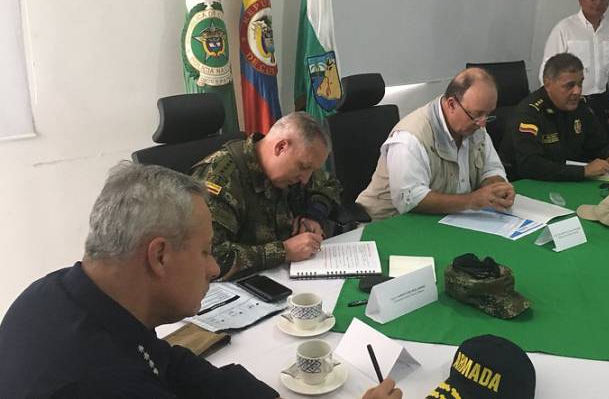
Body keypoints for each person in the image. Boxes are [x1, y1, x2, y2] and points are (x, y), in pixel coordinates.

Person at [0, 163, 401, 399]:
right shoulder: (101, 383)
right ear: (159, 255)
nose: (213, 269)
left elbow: (168, 362)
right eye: (206, 251)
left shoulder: (59, 291)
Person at [191, 112, 341, 280]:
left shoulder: (298, 163)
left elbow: (329, 184)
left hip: (288, 273)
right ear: (281, 147)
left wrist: (314, 215)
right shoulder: (220, 178)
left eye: (311, 170)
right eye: (304, 167)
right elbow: (212, 257)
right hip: (241, 285)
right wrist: (284, 251)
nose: (305, 179)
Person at [356, 67, 515, 221]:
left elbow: (491, 168)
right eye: (477, 114)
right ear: (452, 104)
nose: (482, 123)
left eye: (488, 114)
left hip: (445, 220)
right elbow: (410, 199)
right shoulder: (411, 138)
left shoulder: (474, 126)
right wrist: (471, 200)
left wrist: (496, 188)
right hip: (388, 224)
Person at [500, 53, 609, 181]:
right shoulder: (529, 114)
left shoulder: (579, 107)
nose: (577, 91)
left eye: (580, 84)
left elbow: (599, 142)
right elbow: (530, 165)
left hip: (565, 180)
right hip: (527, 184)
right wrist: (583, 171)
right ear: (547, 83)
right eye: (569, 85)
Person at [540, 0, 609, 129]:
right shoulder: (565, 28)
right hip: (570, 102)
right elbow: (547, 70)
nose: (598, 3)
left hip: (600, 102)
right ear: (580, 0)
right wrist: (553, 104)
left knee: (598, 142)